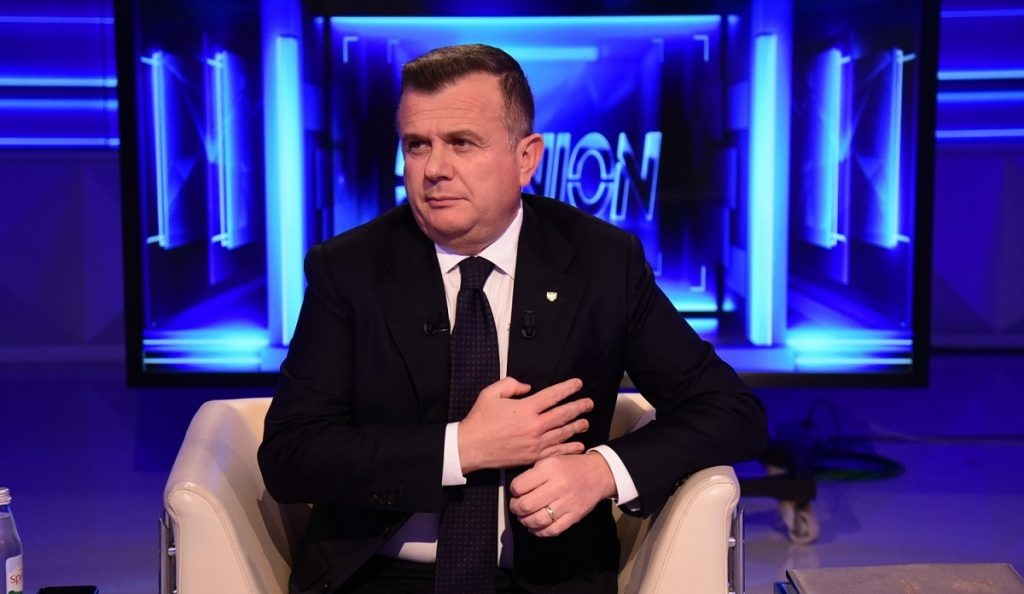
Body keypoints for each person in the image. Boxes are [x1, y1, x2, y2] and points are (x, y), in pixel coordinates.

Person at [258, 43, 767, 594]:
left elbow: (731, 411)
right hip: (378, 574)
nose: (434, 170)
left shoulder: (601, 263)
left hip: (549, 580)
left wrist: (601, 470)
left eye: (462, 143)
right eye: (417, 145)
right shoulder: (349, 269)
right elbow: (290, 455)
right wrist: (463, 447)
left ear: (527, 158)